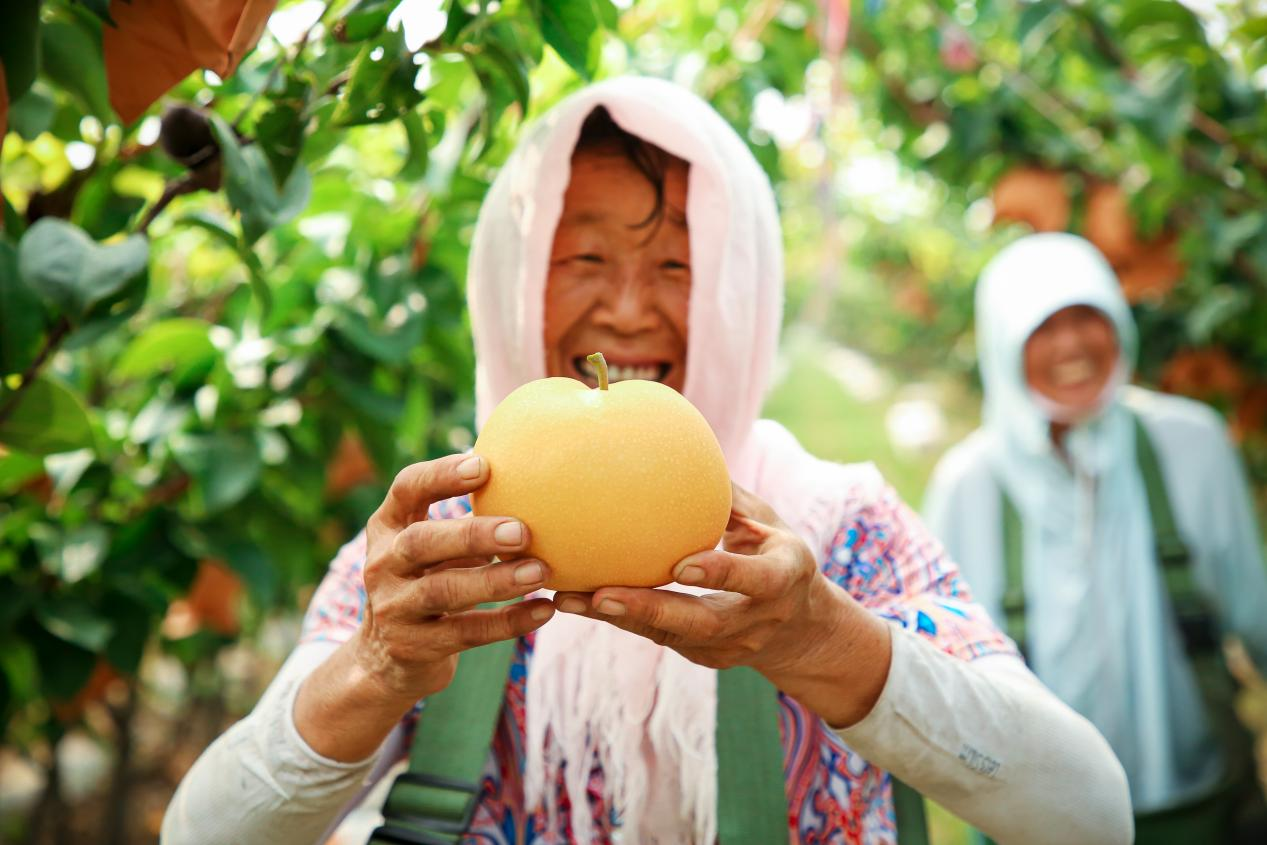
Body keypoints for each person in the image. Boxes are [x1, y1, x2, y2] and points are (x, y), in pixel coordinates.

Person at [162, 79, 1131, 845]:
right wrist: (375, 665)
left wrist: (820, 641)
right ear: (513, 280)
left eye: (677, 265)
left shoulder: (834, 531)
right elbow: (204, 833)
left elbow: (1087, 815)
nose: (628, 311)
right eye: (582, 259)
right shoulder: (438, 555)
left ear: (738, 294)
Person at [924, 232, 1267, 843]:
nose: (1072, 344)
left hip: (1197, 802)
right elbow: (940, 676)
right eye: (1043, 327)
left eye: (1088, 317)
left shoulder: (1192, 446)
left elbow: (1256, 612)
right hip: (1035, 823)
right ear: (1005, 344)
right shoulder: (968, 487)